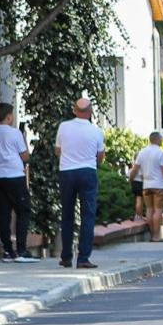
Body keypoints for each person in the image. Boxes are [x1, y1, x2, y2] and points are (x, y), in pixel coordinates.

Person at [55, 96, 106, 269]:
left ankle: (66, 256)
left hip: (67, 172)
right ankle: (83, 257)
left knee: (67, 215)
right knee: (88, 215)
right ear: (91, 112)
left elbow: (58, 150)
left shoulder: (63, 127)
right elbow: (100, 156)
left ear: (74, 111)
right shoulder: (96, 131)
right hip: (88, 172)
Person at [0, 103, 36, 262]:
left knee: (4, 212)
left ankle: (8, 250)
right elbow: (24, 156)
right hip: (15, 175)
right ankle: (21, 249)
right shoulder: (15, 133)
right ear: (9, 116)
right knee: (23, 211)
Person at [129, 132, 163, 243]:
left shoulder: (142, 152)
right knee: (158, 210)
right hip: (159, 185)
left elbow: (135, 168)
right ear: (157, 140)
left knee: (149, 209)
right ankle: (156, 236)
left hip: (146, 186)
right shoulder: (161, 153)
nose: (162, 141)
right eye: (161, 139)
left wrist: (131, 179)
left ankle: (152, 234)